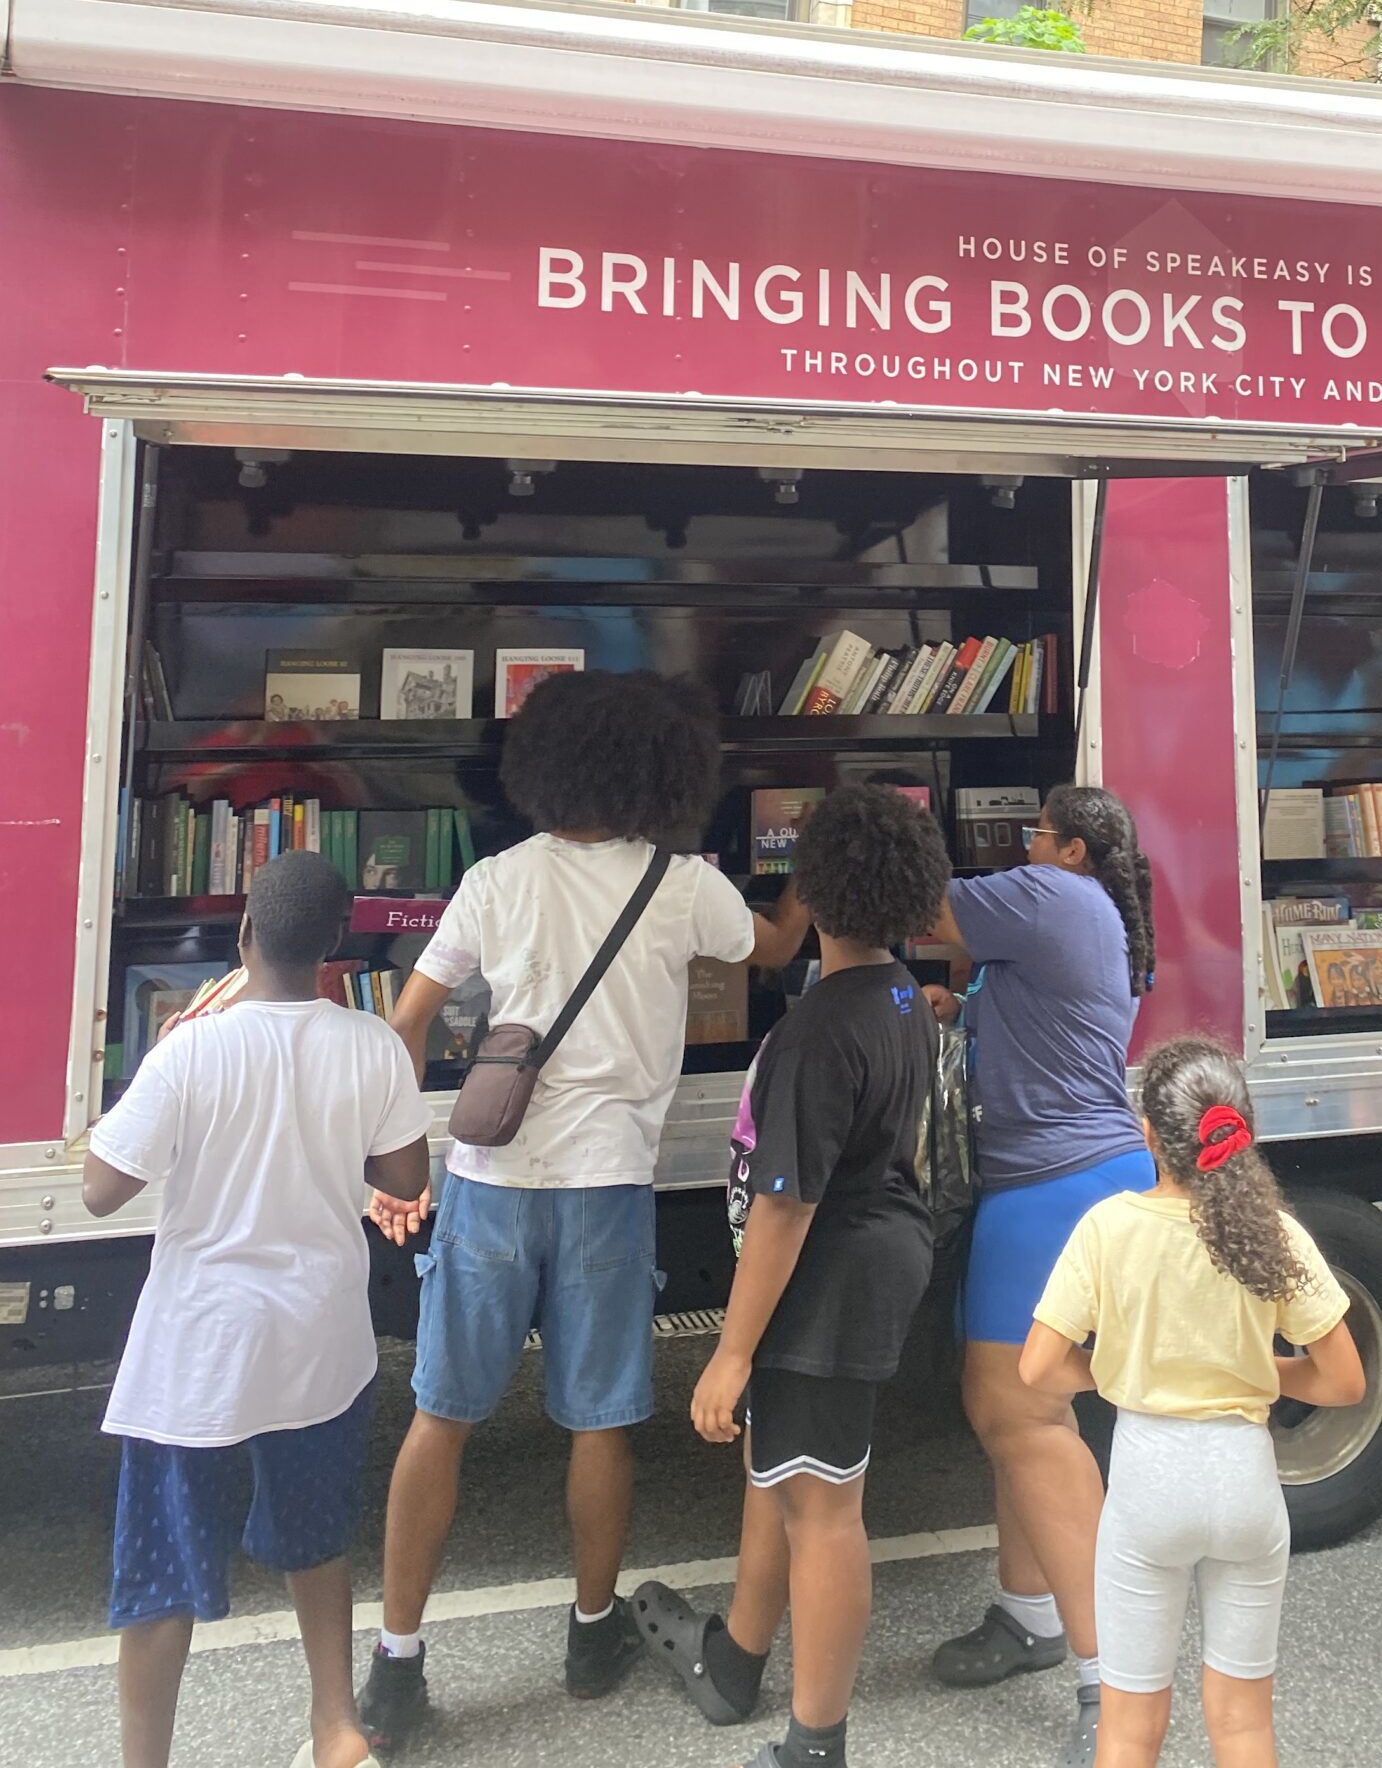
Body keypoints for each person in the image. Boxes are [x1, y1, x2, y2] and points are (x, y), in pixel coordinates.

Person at [359, 669, 811, 1751]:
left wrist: (397, 1166)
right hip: (608, 1186)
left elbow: (406, 1021)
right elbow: (780, 949)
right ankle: (591, 1633)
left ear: (545, 765)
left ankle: (396, 1666)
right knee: (599, 1418)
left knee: (443, 1414)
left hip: (486, 1179)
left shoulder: (495, 879)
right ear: (661, 768)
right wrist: (809, 871)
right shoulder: (682, 880)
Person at [83, 852, 431, 1768]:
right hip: (318, 1345)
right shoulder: (371, 1045)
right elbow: (405, 1177)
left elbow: (99, 1188)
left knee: (160, 1577)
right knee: (316, 1538)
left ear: (244, 936)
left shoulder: (192, 1049)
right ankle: (335, 1728)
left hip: (199, 1356)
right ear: (337, 953)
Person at [634, 780, 944, 1768]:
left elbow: (785, 1203)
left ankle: (816, 1741)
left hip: (828, 1274)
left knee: (824, 1508)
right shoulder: (900, 992)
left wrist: (728, 1354)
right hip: (879, 1247)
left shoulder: (818, 1029)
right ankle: (734, 1659)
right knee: (784, 1471)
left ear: (810, 891)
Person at [1020, 1037, 1363, 1768]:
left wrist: (1114, 1370)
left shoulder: (1108, 1229)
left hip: (1149, 1479)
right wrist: (1268, 1375)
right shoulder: (1272, 1233)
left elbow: (1037, 1368)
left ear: (1148, 1132)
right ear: (1239, 1127)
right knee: (1241, 1726)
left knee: (1128, 1730)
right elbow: (1344, 1382)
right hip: (1245, 1482)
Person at [923, 783, 1158, 1768]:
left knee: (1022, 1415)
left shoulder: (1055, 896)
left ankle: (1116, 1685)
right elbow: (1016, 1012)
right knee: (1025, 1411)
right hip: (1068, 1180)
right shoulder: (1087, 912)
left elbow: (922, 910)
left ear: (1068, 849)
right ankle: (1029, 1615)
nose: (1024, 846)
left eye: (1037, 836)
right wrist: (960, 1009)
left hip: (1054, 1189)